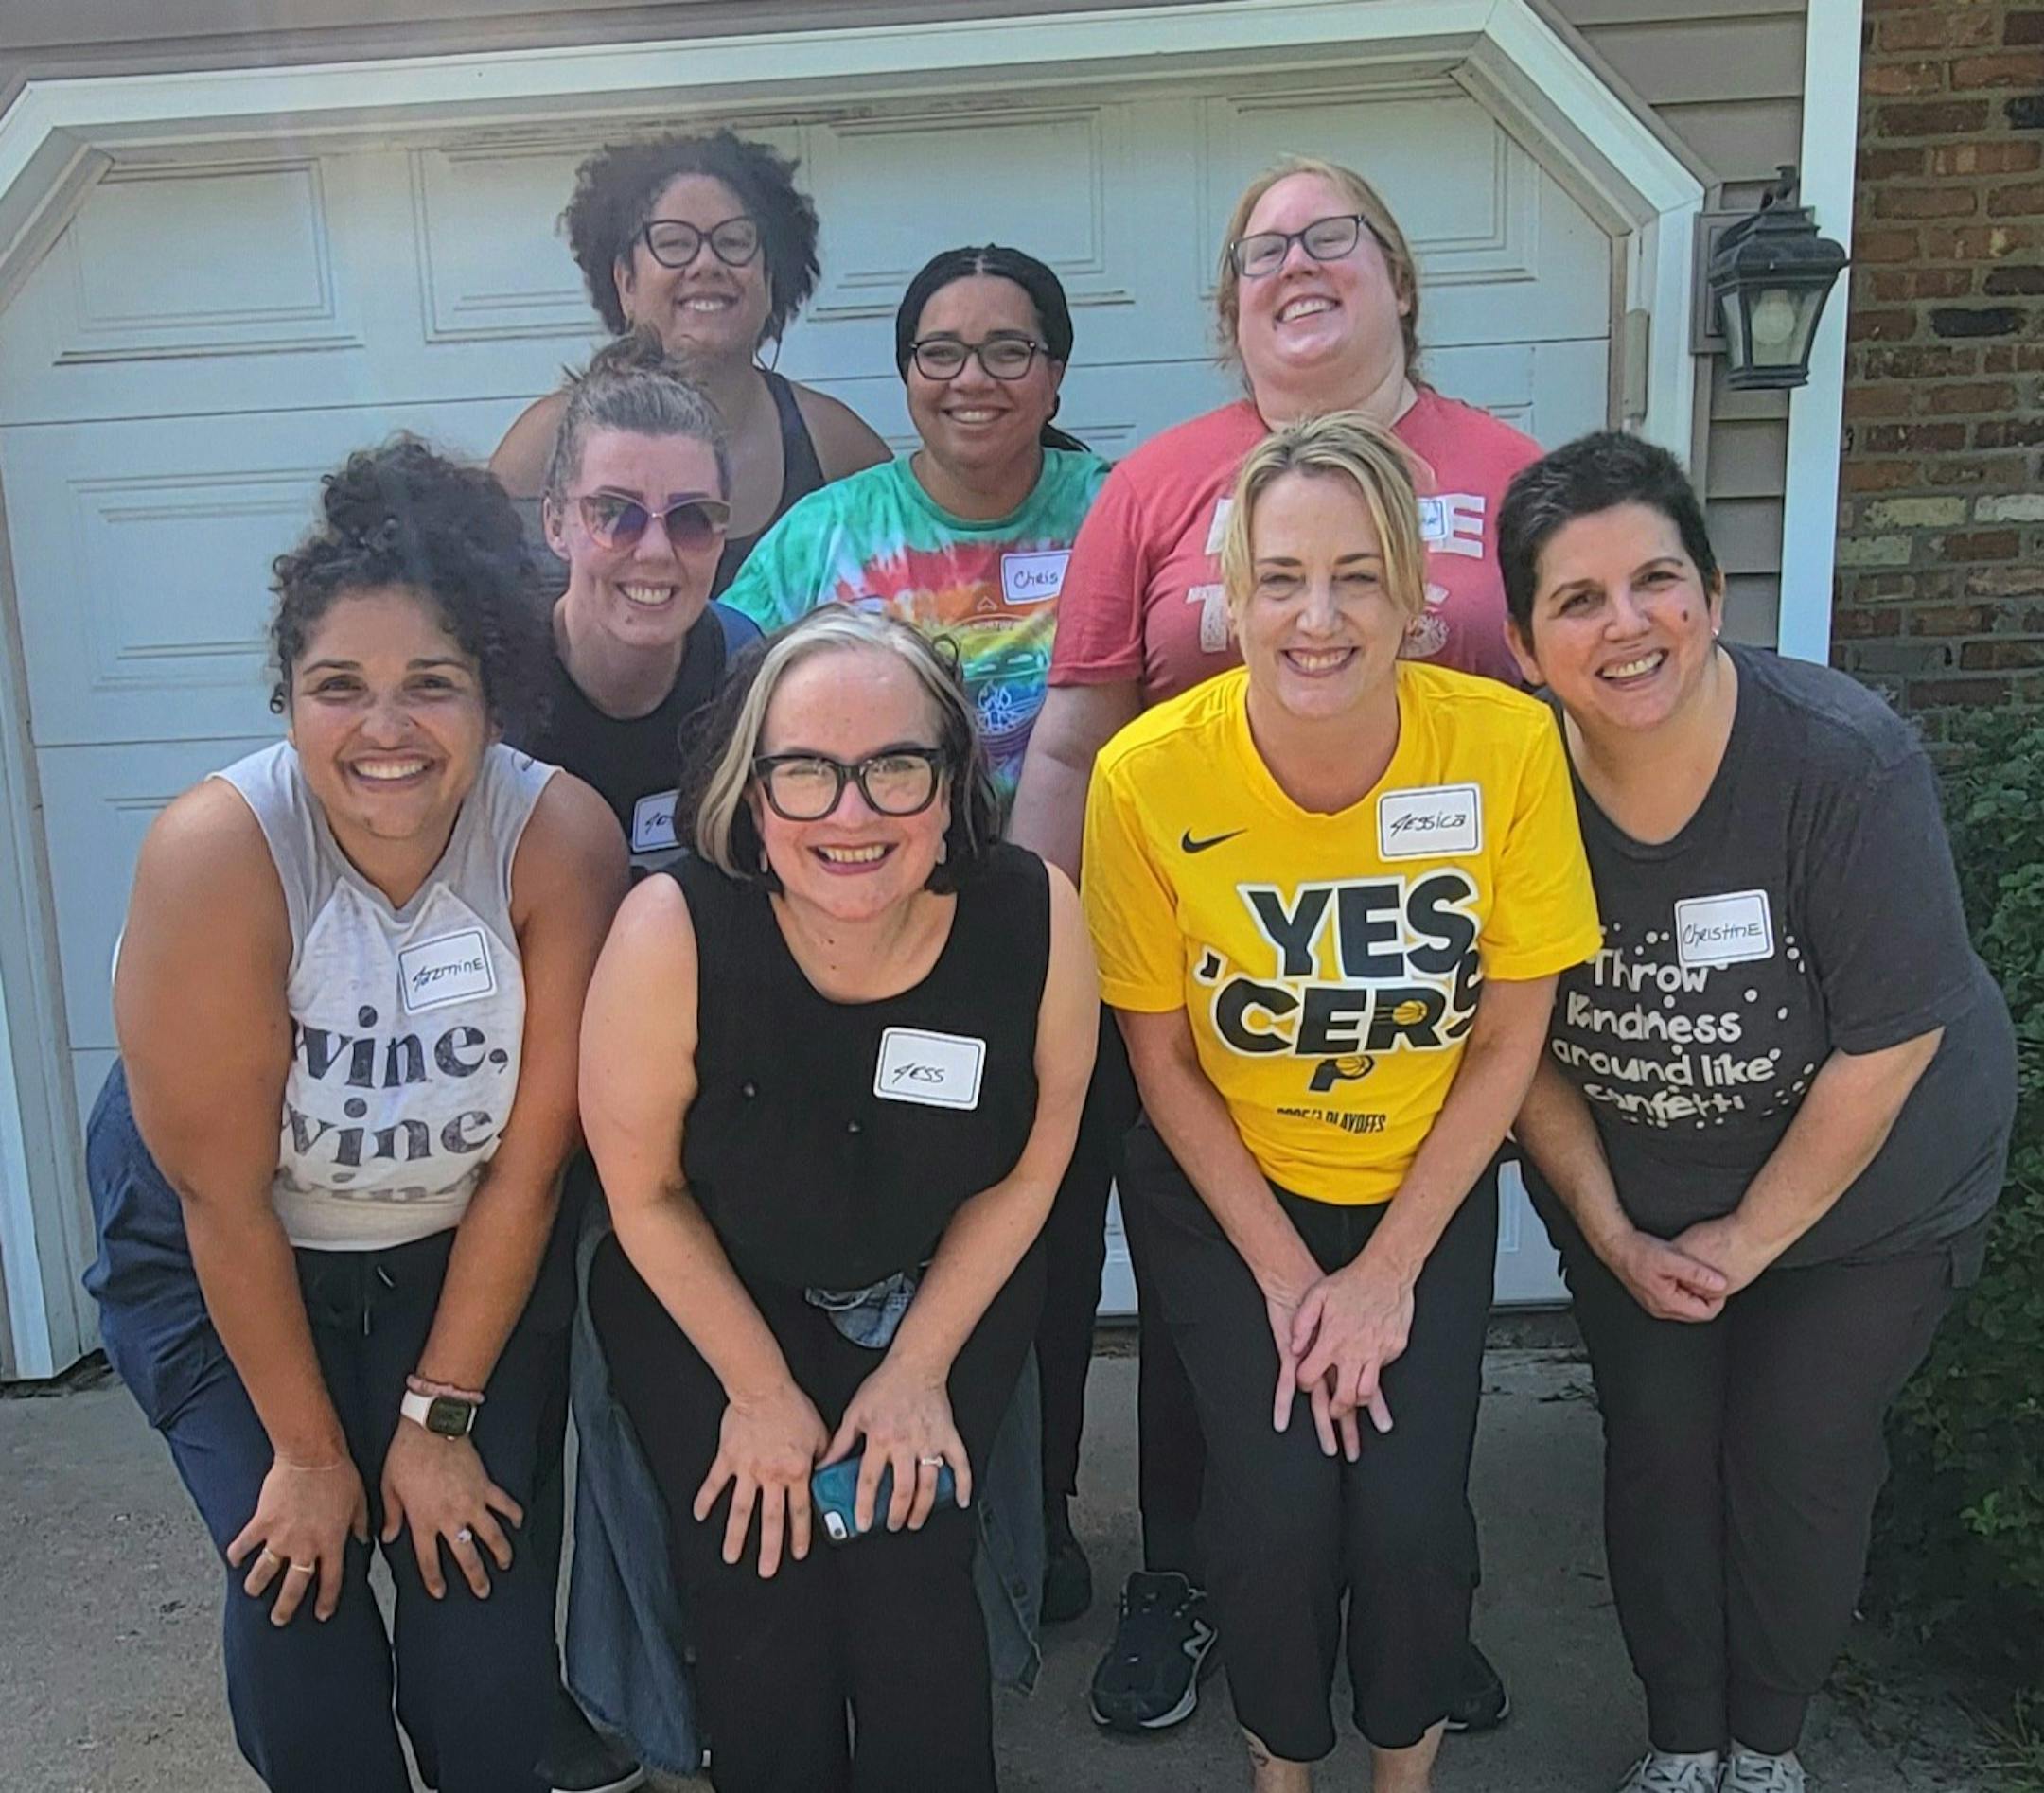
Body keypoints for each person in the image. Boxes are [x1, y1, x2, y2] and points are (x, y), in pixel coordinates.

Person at [1009, 152, 1539, 1734]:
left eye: (1335, 238)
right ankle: (1196, 1579)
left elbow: (1577, 709)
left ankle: (1408, 1601)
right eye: (1261, 250)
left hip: (1422, 975)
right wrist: (1036, 952)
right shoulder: (1158, 483)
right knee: (1207, 1311)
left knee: (1411, 1297)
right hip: (1201, 958)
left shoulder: (1510, 473)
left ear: (1401, 278)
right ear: (1229, 302)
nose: (1297, 266)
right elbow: (1077, 728)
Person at [80, 439, 627, 1793]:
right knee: (301, 1594)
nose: (385, 727)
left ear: (492, 694)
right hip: (226, 1250)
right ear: (287, 697)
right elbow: (218, 1195)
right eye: (339, 686)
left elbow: (527, 1165)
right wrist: (314, 1453)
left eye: (430, 684)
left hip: (461, 1243)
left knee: (480, 1640)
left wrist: (434, 1422)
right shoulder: (218, 853)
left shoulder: (560, 840)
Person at [1082, 412, 1603, 1793]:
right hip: (1227, 1186)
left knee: (1412, 1517)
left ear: (1417, 599)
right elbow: (1161, 1057)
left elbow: (1510, 1027)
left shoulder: (1502, 746)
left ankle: (1402, 1772)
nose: (1319, 616)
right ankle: (1284, 1770)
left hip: (1420, 1182)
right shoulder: (1148, 775)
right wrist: (1291, 1278)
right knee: (1275, 1510)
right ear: (1230, 596)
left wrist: (1379, 1274)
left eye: (1359, 574)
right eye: (1283, 577)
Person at [1499, 432, 2017, 1793]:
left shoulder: (1843, 762)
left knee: (1795, 1453)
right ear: (1524, 642)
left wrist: (1746, 1240)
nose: (1628, 624)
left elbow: (1890, 1036)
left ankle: (1768, 1745)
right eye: (1577, 598)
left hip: (1869, 1192)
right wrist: (1612, 1232)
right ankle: (1682, 1740)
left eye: (1657, 579)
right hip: (1634, 1179)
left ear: (1715, 593)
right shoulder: (1504, 789)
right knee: (1661, 1450)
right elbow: (1512, 1046)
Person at [579, 606, 1098, 1792]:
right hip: (708, 1288)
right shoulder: (673, 930)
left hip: (938, 1281)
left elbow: (1035, 1157)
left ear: (953, 779)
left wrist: (916, 1374)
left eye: (894, 768)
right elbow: (643, 1189)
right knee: (765, 1580)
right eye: (806, 772)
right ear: (752, 794)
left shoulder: (1033, 916)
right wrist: (760, 1392)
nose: (852, 812)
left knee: (912, 1578)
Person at [722, 243, 1125, 1621]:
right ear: (904, 377)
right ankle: (866, 1477)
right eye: (940, 350)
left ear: (1055, 371)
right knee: (903, 1224)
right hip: (880, 957)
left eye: (1009, 347)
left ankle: (1044, 1514)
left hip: (1080, 947)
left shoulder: (1123, 512)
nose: (974, 377)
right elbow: (721, 709)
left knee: (1054, 1241)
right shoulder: (828, 533)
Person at [516, 330, 758, 1792]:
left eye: (689, 516)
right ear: (557, 522)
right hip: (501, 1106)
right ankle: (539, 1674)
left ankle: (694, 1667)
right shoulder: (480, 682)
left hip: (680, 1108)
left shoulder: (746, 680)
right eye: (615, 510)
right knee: (526, 1405)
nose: (652, 548)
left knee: (667, 1404)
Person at [492, 130, 889, 596]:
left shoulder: (834, 445)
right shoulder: (545, 443)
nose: (706, 264)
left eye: (735, 241)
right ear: (625, 283)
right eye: (675, 243)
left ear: (771, 277)